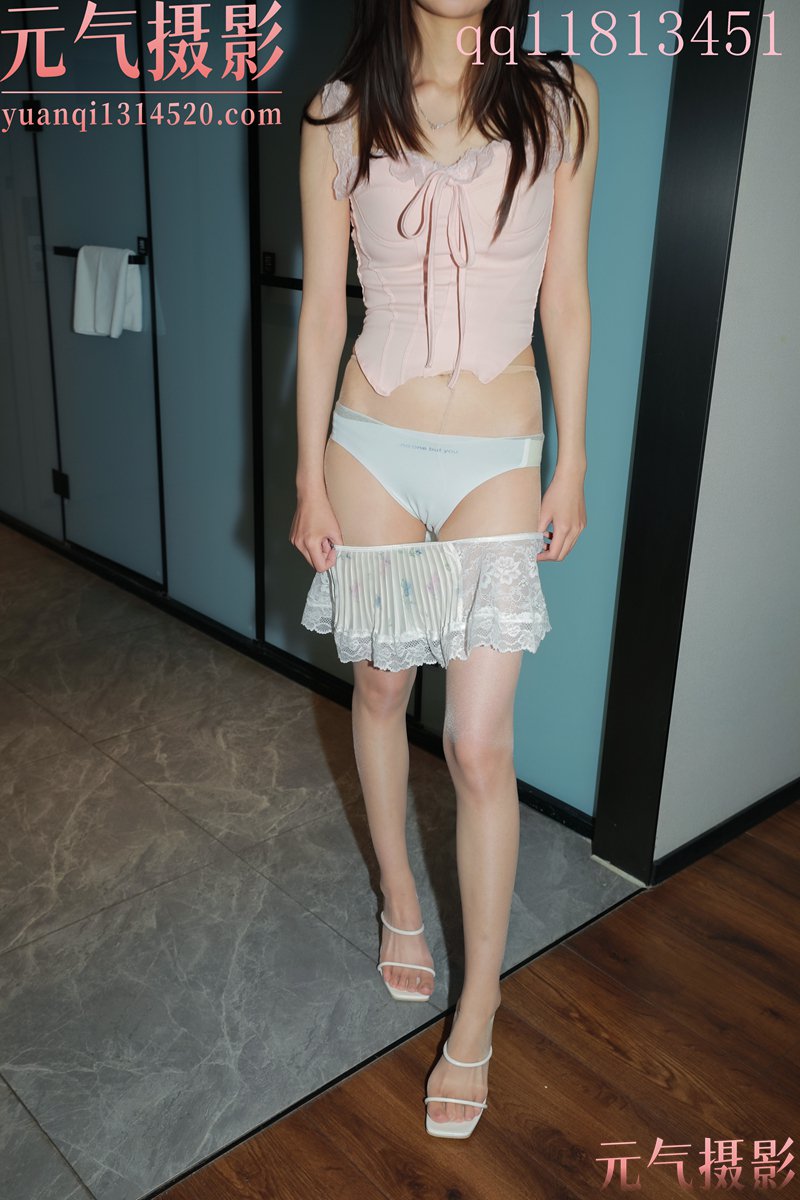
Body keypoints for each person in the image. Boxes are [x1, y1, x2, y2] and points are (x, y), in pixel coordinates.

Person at [291, 0, 598, 1139]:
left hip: (497, 457)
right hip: (369, 443)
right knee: (380, 687)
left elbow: (564, 293)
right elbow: (322, 311)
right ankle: (399, 897)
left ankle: (480, 1006)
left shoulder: (561, 98)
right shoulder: (337, 112)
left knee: (475, 743)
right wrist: (307, 477)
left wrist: (572, 460)